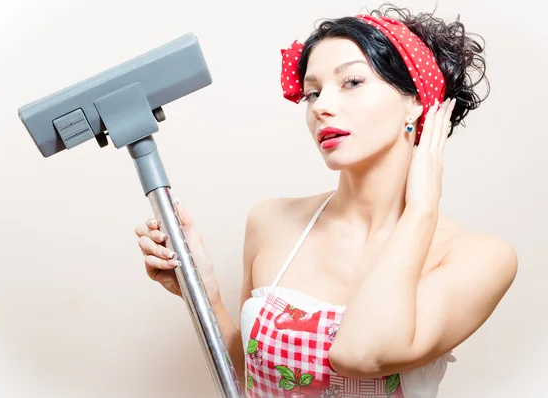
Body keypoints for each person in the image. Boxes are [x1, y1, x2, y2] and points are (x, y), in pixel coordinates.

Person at [135, 4, 518, 397]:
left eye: (351, 82)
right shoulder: (271, 221)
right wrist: (204, 292)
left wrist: (421, 210)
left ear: (416, 101)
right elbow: (250, 376)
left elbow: (360, 354)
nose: (320, 106)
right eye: (312, 92)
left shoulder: (479, 257)